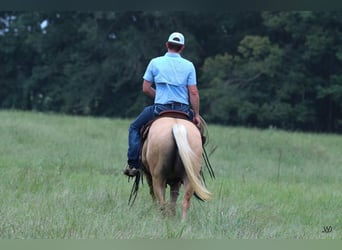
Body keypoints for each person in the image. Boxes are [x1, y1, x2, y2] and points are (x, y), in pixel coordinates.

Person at [124, 32, 201, 177]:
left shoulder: (155, 62)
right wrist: (196, 114)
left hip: (159, 109)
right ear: (182, 48)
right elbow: (194, 92)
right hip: (183, 110)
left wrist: (159, 96)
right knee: (198, 133)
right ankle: (197, 166)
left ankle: (133, 164)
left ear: (167, 45)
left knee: (134, 127)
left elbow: (145, 88)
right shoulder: (189, 65)